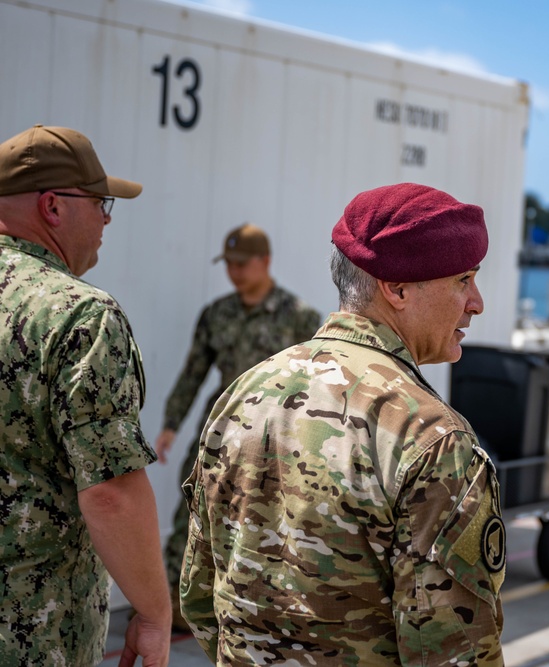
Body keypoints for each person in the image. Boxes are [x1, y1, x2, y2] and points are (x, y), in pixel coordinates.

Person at [180, 182, 505, 665]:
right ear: (395, 288)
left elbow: (202, 598)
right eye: (463, 280)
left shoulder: (244, 393)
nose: (476, 302)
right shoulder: (431, 437)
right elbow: (454, 651)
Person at [0, 125, 171, 665]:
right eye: (100, 203)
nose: (106, 219)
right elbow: (110, 493)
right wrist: (153, 611)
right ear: (52, 206)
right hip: (31, 632)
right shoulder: (80, 315)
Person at [155, 222, 321, 628]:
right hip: (223, 425)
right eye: (229, 264)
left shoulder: (300, 317)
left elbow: (318, 383)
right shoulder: (217, 314)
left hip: (276, 432)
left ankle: (267, 602)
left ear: (265, 261)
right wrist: (171, 423)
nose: (235, 271)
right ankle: (174, 603)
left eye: (242, 263)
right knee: (193, 504)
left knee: (274, 512)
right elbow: (193, 372)